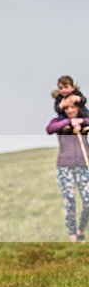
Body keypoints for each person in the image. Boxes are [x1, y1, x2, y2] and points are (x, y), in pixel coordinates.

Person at [46, 103, 89, 242]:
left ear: (78, 108)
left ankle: (80, 231)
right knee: (69, 202)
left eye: (73, 107)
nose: (70, 110)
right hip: (65, 167)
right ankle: (72, 238)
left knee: (88, 202)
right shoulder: (60, 123)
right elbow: (50, 128)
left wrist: (81, 122)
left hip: (83, 166)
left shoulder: (84, 121)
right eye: (67, 108)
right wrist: (70, 122)